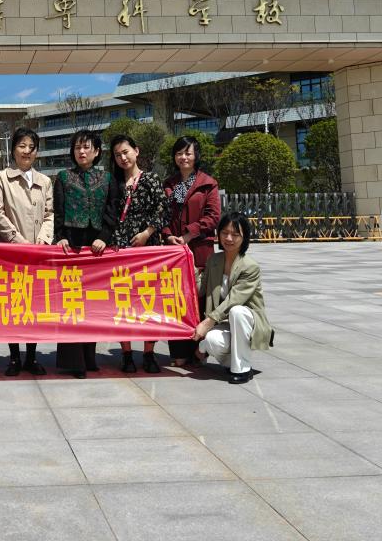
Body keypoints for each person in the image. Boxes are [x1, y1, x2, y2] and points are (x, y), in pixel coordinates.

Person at [53, 129, 118, 379]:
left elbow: (112, 209)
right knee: (71, 302)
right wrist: (60, 236)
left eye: (87, 147)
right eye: (77, 147)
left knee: (92, 304)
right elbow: (58, 210)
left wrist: (105, 236)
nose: (82, 151)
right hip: (72, 246)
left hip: (96, 247)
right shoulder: (63, 177)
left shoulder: (107, 178)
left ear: (97, 151)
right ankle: (74, 362)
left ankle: (90, 357)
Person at [0, 126, 53, 377]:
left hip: (38, 254)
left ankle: (32, 356)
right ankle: (14, 357)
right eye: (22, 146)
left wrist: (42, 241)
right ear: (13, 149)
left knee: (35, 306)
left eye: (31, 147)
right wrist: (18, 241)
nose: (27, 151)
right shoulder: (1, 178)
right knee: (14, 305)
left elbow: (50, 214)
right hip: (11, 253)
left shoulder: (45, 181)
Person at [109, 134, 171, 375]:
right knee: (122, 302)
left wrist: (147, 233)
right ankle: (126, 353)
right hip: (120, 251)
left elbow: (163, 209)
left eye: (125, 152)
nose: (122, 158)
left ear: (136, 151)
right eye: (117, 155)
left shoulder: (151, 179)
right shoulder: (114, 183)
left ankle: (148, 353)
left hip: (147, 250)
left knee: (149, 301)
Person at [192, 212, 273, 384]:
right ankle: (231, 361)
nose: (229, 238)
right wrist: (189, 264)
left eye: (235, 234)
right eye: (225, 233)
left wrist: (208, 322)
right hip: (224, 323)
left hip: (248, 321)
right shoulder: (214, 260)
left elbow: (234, 299)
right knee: (211, 341)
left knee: (237, 311)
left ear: (244, 237)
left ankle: (242, 369)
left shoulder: (250, 266)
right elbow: (200, 290)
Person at [162, 135, 221, 367]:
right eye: (179, 153)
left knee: (200, 301)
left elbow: (213, 217)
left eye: (188, 152)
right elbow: (162, 215)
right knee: (176, 302)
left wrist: (188, 234)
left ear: (196, 155)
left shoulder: (208, 183)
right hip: (173, 253)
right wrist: (168, 235)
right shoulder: (169, 184)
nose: (183, 157)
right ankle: (179, 352)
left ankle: (199, 349)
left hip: (200, 251)